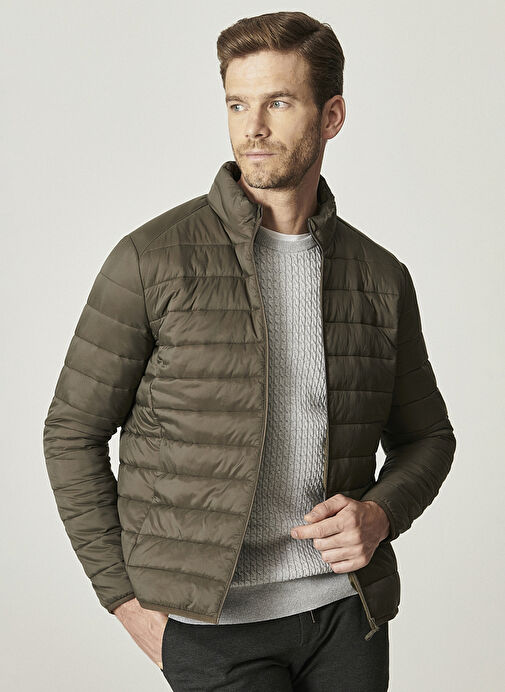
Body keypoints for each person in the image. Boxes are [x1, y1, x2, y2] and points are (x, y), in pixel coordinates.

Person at [43, 10, 456, 691]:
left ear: (331, 116)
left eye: (278, 103)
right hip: (213, 632)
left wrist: (380, 514)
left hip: (344, 617)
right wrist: (123, 599)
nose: (252, 128)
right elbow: (71, 432)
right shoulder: (152, 259)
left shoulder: (379, 277)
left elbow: (429, 438)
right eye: (237, 104)